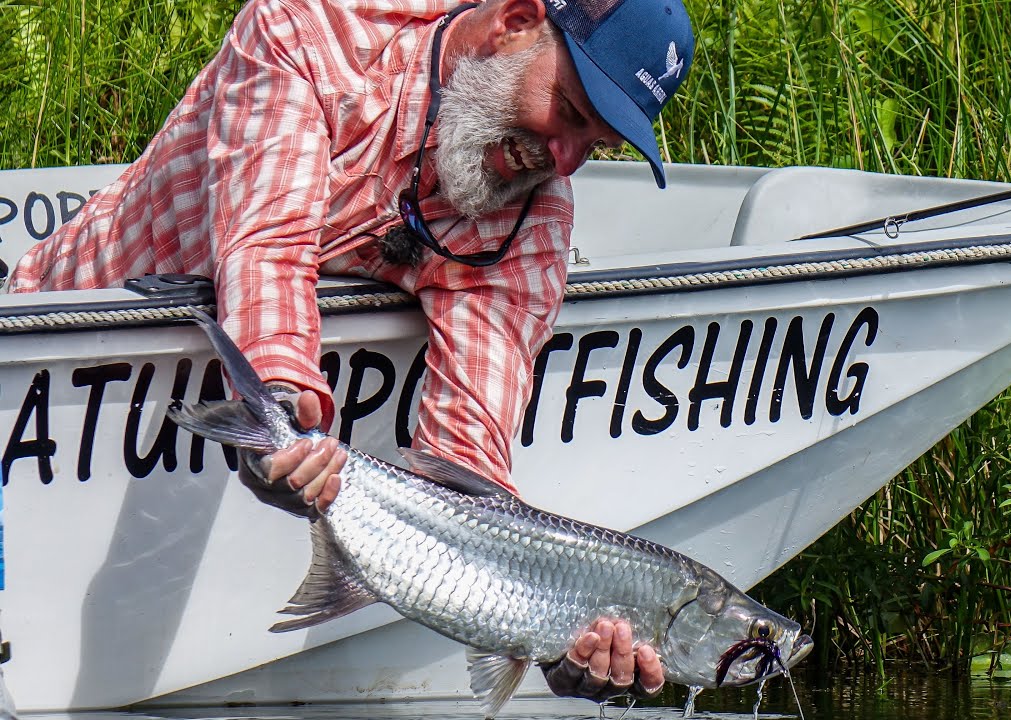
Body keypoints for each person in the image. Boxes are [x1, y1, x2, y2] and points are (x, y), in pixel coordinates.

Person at [6, 0, 693, 704]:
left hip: (229, 419)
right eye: (572, 114)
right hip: (48, 356)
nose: (565, 160)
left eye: (596, 146)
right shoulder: (308, 31)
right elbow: (267, 249)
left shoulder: (535, 214)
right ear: (515, 22)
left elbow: (464, 472)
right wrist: (276, 402)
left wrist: (550, 638)